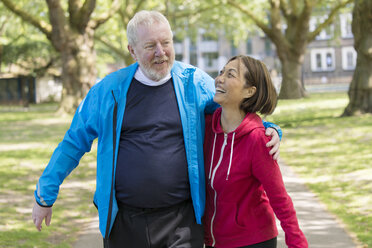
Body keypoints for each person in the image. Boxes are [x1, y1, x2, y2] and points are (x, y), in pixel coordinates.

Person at [32, 11, 282, 248]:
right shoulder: (108, 91)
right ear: (132, 51)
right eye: (150, 46)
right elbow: (73, 142)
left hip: (182, 221)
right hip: (123, 221)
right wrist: (45, 196)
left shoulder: (194, 83)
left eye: (166, 43)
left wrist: (268, 129)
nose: (161, 52)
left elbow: (234, 112)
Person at [203, 55, 307, 248]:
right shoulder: (207, 127)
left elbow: (280, 199)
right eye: (221, 72)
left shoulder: (257, 140)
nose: (220, 78)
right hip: (215, 242)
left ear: (249, 91)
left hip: (254, 240)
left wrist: (297, 243)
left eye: (230, 74)